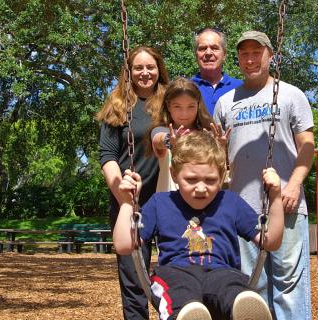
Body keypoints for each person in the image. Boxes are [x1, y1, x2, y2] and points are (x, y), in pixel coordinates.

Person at [113, 131, 284, 320]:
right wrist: (126, 203)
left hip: (222, 272)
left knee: (232, 288)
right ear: (174, 174)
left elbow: (269, 242)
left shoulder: (230, 202)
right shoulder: (160, 203)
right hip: (175, 273)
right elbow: (123, 245)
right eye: (191, 180)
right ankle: (188, 315)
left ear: (222, 176)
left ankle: (245, 311)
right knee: (182, 298)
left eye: (210, 180)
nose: (201, 188)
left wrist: (275, 196)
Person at [213, 31, 316, 320]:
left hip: (286, 203)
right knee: (250, 285)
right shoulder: (225, 102)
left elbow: (307, 146)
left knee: (288, 284)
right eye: (244, 54)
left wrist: (294, 185)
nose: (250, 59)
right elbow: (219, 160)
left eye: (256, 53)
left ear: (270, 55)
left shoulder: (291, 95)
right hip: (242, 209)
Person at [97, 46, 169, 320]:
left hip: (165, 199)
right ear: (129, 72)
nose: (144, 73)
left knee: (173, 272)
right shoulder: (117, 103)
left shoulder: (169, 101)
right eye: (138, 68)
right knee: (133, 277)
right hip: (128, 200)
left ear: (158, 69)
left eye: (150, 67)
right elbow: (108, 157)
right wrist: (123, 196)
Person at [147, 77, 214, 192]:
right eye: (177, 106)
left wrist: (221, 145)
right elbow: (158, 140)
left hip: (202, 197)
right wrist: (171, 141)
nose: (184, 113)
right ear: (168, 106)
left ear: (198, 105)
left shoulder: (207, 133)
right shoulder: (162, 130)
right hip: (169, 203)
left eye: (191, 106)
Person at [192, 28, 243, 115]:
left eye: (214, 48)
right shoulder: (186, 88)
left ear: (224, 55)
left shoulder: (241, 88)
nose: (208, 53)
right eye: (202, 48)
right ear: (196, 55)